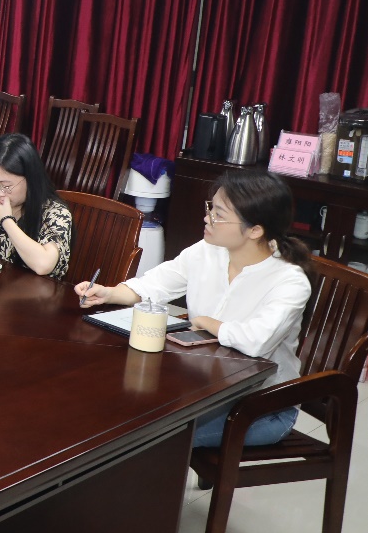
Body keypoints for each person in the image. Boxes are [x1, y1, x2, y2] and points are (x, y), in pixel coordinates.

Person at [75, 169, 312, 448]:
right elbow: (155, 284)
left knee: (144, 440)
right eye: (210, 208)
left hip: (259, 407)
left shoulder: (289, 282)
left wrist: (207, 322)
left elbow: (256, 341)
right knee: (112, 412)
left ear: (255, 230)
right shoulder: (207, 251)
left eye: (219, 214)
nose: (207, 218)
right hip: (202, 388)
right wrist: (110, 293)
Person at [0, 133, 72, 280]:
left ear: (30, 178)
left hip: (36, 292)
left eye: (6, 186)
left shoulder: (56, 213)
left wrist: (6, 220)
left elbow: (44, 265)